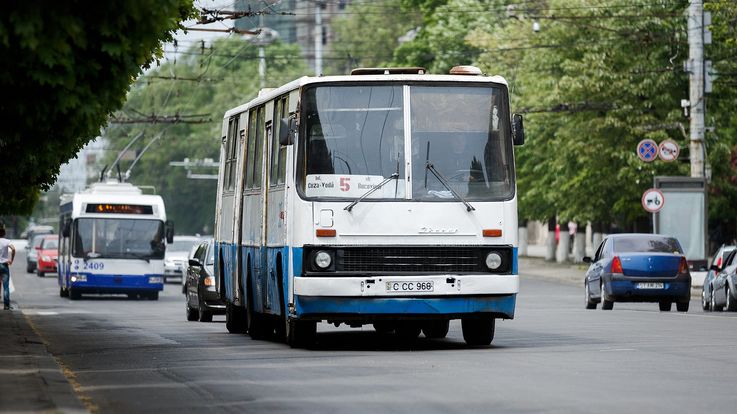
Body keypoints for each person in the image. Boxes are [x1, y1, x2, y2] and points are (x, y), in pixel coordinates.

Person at [0, 225, 17, 310]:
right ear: (4, 234)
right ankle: (6, 305)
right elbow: (13, 249)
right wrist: (11, 260)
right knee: (6, 286)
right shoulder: (7, 241)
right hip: (4, 265)